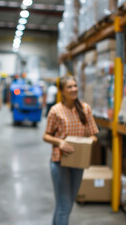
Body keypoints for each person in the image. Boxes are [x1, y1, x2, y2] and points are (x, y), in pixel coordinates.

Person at [42, 75, 98, 225]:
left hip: (78, 161)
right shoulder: (55, 110)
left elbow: (93, 135)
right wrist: (59, 142)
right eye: (69, 87)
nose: (74, 89)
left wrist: (86, 143)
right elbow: (46, 136)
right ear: (62, 91)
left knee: (66, 204)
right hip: (59, 161)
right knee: (65, 206)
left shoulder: (85, 109)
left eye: (75, 86)